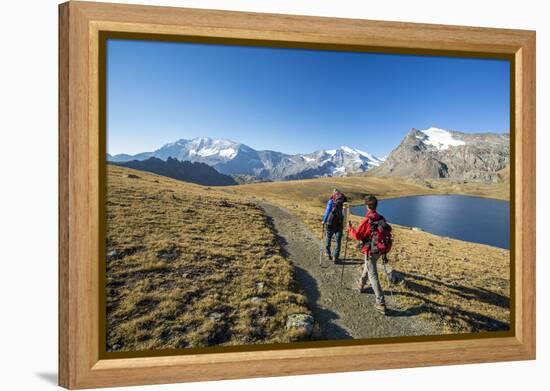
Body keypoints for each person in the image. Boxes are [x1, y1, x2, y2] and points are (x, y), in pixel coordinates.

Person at [347, 195, 392, 315]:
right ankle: (361, 284)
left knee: (373, 275)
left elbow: (357, 235)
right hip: (380, 251)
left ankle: (380, 302)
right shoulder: (381, 218)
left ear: (367, 206)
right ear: (376, 206)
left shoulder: (368, 220)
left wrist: (350, 229)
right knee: (369, 265)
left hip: (371, 251)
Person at [322, 189, 347, 264]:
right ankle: (335, 257)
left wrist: (324, 220)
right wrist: (344, 223)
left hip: (330, 223)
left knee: (328, 237)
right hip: (339, 223)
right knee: (338, 241)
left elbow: (327, 211)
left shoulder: (331, 201)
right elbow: (345, 213)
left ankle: (328, 253)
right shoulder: (343, 202)